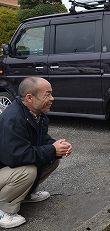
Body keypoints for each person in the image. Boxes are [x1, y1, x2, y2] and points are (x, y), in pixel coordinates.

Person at [0, 77, 72, 229]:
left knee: (53, 158)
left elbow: (42, 140)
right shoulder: (13, 118)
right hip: (5, 167)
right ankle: (3, 208)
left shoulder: (36, 115)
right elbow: (16, 157)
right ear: (29, 98)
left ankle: (25, 193)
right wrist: (52, 149)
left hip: (7, 169)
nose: (52, 98)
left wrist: (58, 146)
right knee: (28, 171)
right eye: (47, 94)